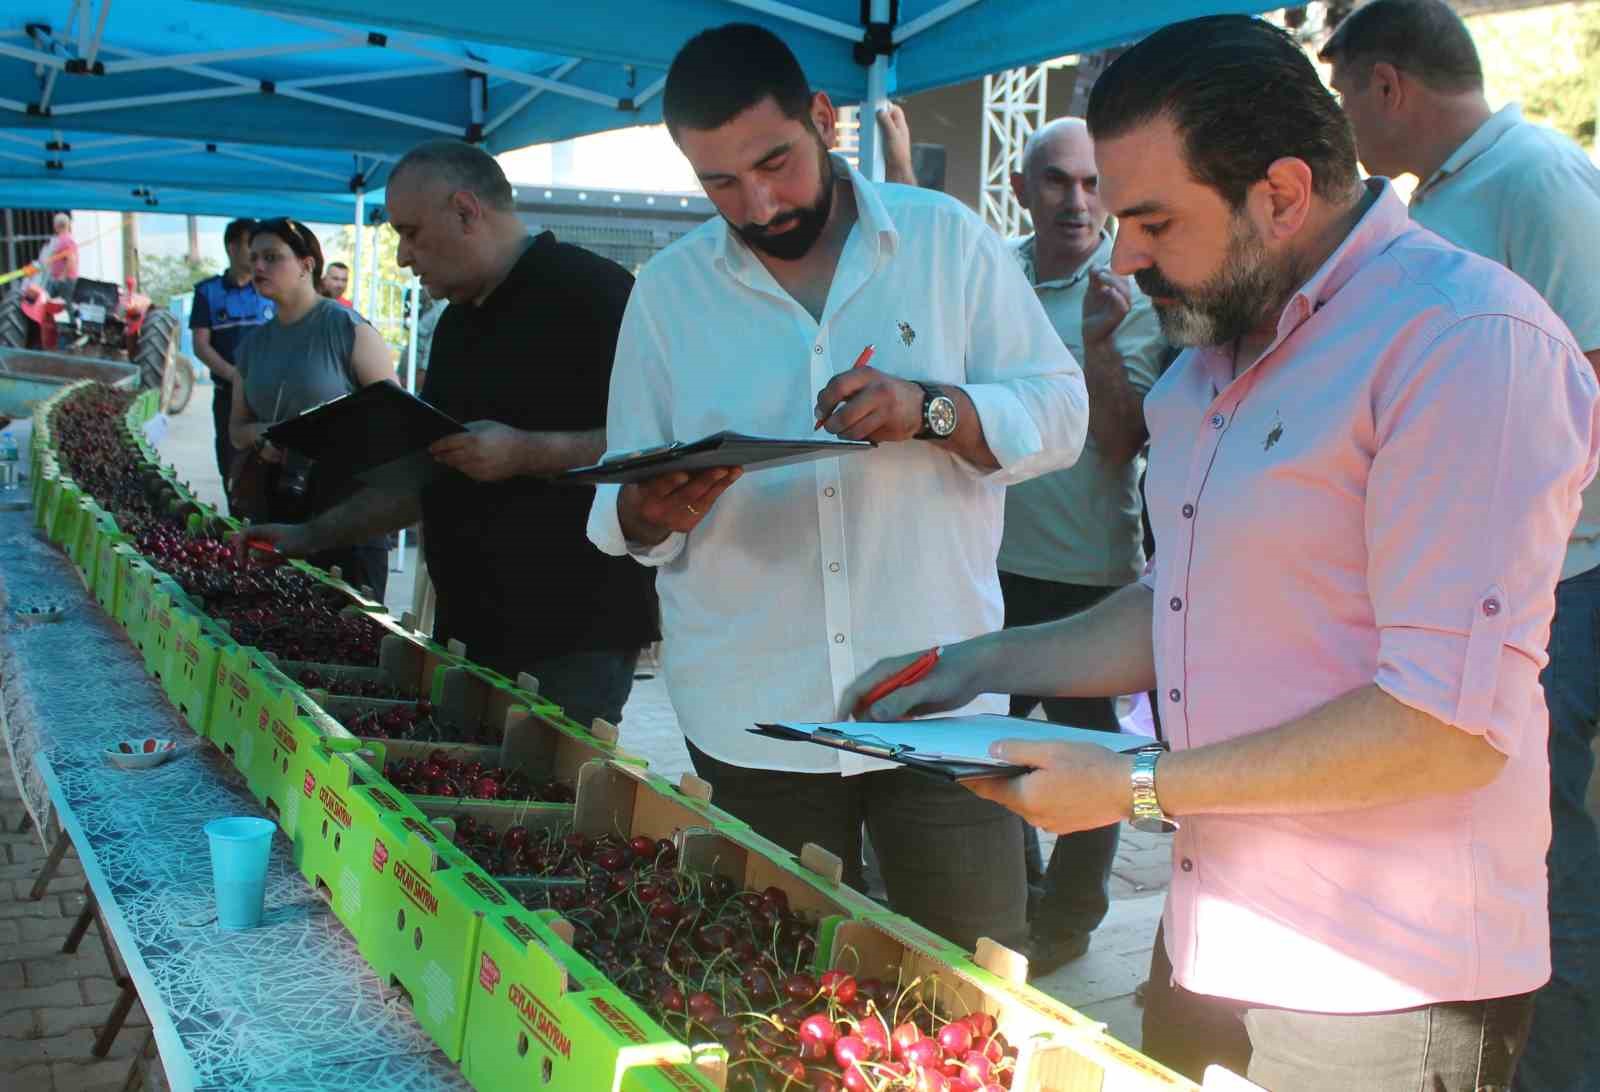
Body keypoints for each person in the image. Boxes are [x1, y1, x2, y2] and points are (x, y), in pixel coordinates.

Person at [842, 15, 1599, 1090]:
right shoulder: (1212, 355)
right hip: (1212, 930)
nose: (1125, 254)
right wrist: (977, 664)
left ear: (1281, 193)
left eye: (1153, 219)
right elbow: (1188, 607)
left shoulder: (1464, 345)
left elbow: (1446, 725)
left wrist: (1136, 786)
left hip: (1380, 975)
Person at [586, 24, 1088, 951]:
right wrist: (647, 511)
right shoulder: (666, 293)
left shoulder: (947, 243)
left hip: (937, 704)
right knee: (769, 993)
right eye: (721, 183)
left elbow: (1062, 412)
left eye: (775, 162)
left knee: (969, 982)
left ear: (825, 119)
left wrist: (932, 411)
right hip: (752, 720)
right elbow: (623, 497)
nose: (760, 202)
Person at [1319, 7, 1600, 1085]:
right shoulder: (1441, 195)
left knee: (1550, 860)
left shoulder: (1534, 179)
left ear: (1385, 84)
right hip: (1496, 584)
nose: (1342, 119)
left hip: (1560, 577)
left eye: (1343, 92)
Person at [245, 143, 658, 728]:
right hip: (471, 624)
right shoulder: (458, 324)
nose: (403, 258)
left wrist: (527, 452)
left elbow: (665, 444)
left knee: (542, 807)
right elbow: (431, 472)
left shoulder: (599, 296)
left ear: (466, 212)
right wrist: (307, 534)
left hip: (573, 635)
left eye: (411, 234)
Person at [999, 117, 1167, 974]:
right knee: (984, 752)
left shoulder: (1130, 291)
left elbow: (1117, 441)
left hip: (1088, 579)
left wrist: (1100, 342)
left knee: (1091, 761)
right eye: (1057, 181)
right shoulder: (994, 277)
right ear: (1024, 189)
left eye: (1093, 183)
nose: (1077, 200)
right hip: (987, 566)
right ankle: (1023, 895)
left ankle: (1068, 921)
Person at [228, 218, 395, 599]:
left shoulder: (347, 328)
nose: (258, 267)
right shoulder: (252, 346)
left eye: (272, 257)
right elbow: (237, 429)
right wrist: (272, 434)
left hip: (347, 514)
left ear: (307, 264)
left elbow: (393, 418)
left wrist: (319, 438)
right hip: (276, 509)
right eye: (254, 258)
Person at [191, 219, 275, 491]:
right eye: (250, 246)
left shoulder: (271, 289)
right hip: (228, 395)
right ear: (232, 247)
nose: (256, 256)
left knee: (269, 465)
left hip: (268, 397)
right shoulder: (208, 292)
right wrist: (235, 376)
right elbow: (201, 345)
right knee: (232, 468)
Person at [37, 213, 78, 297]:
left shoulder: (65, 240)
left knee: (62, 305)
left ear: (56, 226)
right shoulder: (64, 239)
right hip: (60, 279)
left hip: (64, 280)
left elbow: (71, 259)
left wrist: (63, 276)